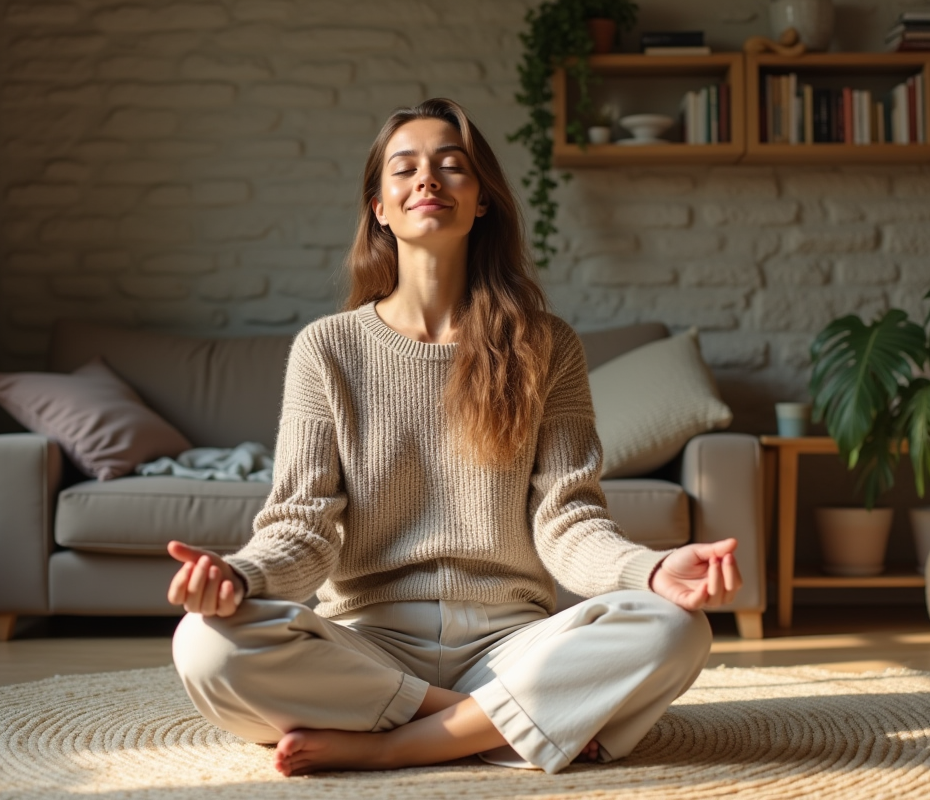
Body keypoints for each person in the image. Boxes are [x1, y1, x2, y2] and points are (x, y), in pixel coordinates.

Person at [166, 97, 742, 778]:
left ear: (482, 202)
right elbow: (303, 526)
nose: (428, 179)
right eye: (404, 168)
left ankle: (399, 742)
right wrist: (239, 575)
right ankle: (501, 722)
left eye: (452, 166)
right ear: (379, 207)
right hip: (369, 643)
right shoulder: (327, 350)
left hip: (514, 640)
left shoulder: (546, 345)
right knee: (204, 647)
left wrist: (648, 570)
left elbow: (569, 520)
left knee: (676, 629)